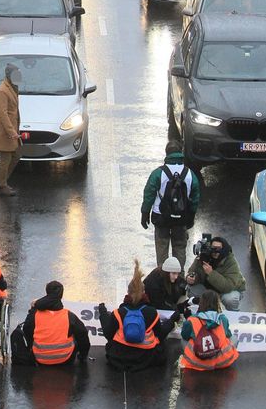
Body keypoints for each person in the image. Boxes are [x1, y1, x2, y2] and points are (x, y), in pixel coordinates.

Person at [98, 259, 178, 372]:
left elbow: (108, 334)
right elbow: (160, 335)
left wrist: (103, 313)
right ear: (144, 293)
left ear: (128, 292)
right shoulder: (151, 312)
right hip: (146, 357)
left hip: (119, 357)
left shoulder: (118, 313)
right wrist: (172, 321)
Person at [141, 140, 200, 269]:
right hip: (181, 219)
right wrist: (190, 217)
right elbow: (195, 198)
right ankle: (178, 278)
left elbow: (149, 193)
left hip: (161, 217)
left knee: (162, 248)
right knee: (179, 247)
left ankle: (162, 277)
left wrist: (145, 213)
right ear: (181, 153)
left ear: (167, 154)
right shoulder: (189, 174)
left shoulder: (158, 173)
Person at [11, 280, 90, 366]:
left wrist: (32, 309)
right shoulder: (69, 316)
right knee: (76, 333)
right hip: (65, 360)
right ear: (61, 295)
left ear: (47, 292)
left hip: (39, 358)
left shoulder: (35, 314)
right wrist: (83, 355)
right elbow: (83, 335)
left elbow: (27, 330)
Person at [180, 290, 239, 370]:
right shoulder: (222, 319)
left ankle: (195, 359)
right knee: (234, 338)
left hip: (197, 361)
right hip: (221, 361)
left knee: (183, 339)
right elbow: (228, 335)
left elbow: (184, 336)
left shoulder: (192, 320)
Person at [186, 235, 246, 310]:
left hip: (229, 289)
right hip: (210, 288)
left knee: (230, 299)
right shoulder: (205, 255)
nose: (215, 251)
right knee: (191, 289)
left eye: (218, 249)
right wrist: (191, 278)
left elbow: (228, 286)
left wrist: (211, 273)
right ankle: (203, 311)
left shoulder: (231, 261)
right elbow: (192, 271)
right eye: (213, 248)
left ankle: (233, 314)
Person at [0, 63, 23, 197]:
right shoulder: (3, 91)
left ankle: (1, 179)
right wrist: (12, 132)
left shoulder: (11, 88)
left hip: (11, 129)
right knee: (5, 157)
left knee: (16, 154)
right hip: (5, 132)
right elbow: (3, 114)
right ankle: (1, 185)